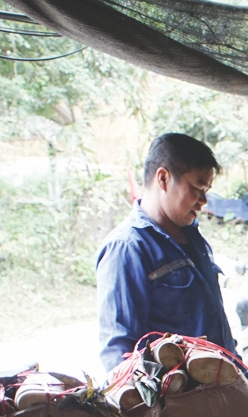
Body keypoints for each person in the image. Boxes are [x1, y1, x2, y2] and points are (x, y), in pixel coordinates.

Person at [96, 133, 234, 371]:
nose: (204, 201)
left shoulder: (194, 239)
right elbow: (120, 355)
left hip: (220, 392)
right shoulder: (127, 248)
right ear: (163, 178)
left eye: (207, 190)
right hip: (175, 404)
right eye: (197, 188)